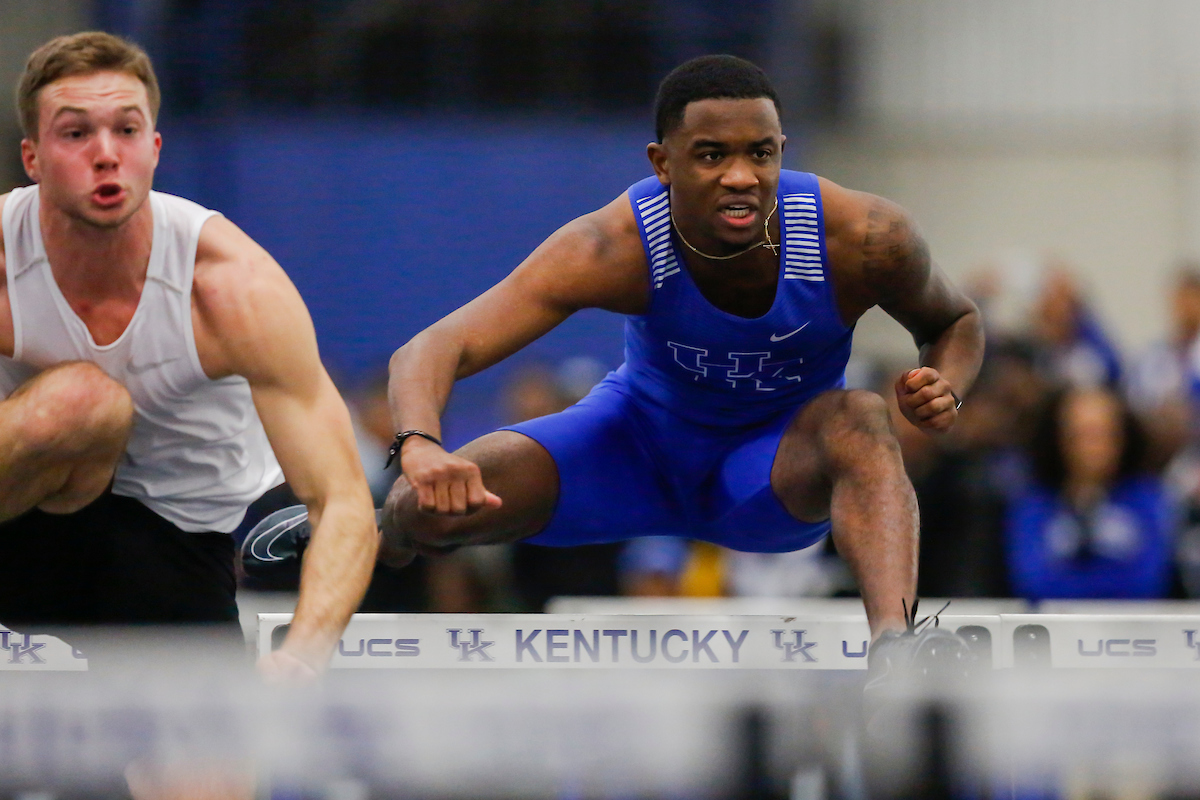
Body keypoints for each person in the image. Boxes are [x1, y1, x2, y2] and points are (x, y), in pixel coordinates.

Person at [373, 55, 984, 653]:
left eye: (761, 153)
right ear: (663, 164)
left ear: (781, 151)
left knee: (861, 417)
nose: (741, 176)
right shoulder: (612, 246)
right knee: (422, 504)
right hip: (631, 450)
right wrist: (421, 448)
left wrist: (946, 385)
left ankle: (895, 654)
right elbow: (432, 348)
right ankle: (376, 537)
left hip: (769, 470)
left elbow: (955, 321)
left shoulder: (865, 239)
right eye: (712, 155)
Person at [0, 32, 377, 679]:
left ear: (155, 148)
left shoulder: (233, 287)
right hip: (24, 516)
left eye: (126, 129)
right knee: (82, 402)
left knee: (209, 782)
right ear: (32, 158)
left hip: (174, 543)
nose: (105, 155)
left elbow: (342, 500)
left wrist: (302, 659)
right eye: (75, 134)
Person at [1005, 387, 1175, 600]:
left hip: (1129, 629)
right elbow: (1033, 582)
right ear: (1059, 438)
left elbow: (1147, 582)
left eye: (1103, 434)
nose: (1093, 448)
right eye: (1080, 435)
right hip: (1056, 626)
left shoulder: (1147, 500)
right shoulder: (1035, 503)